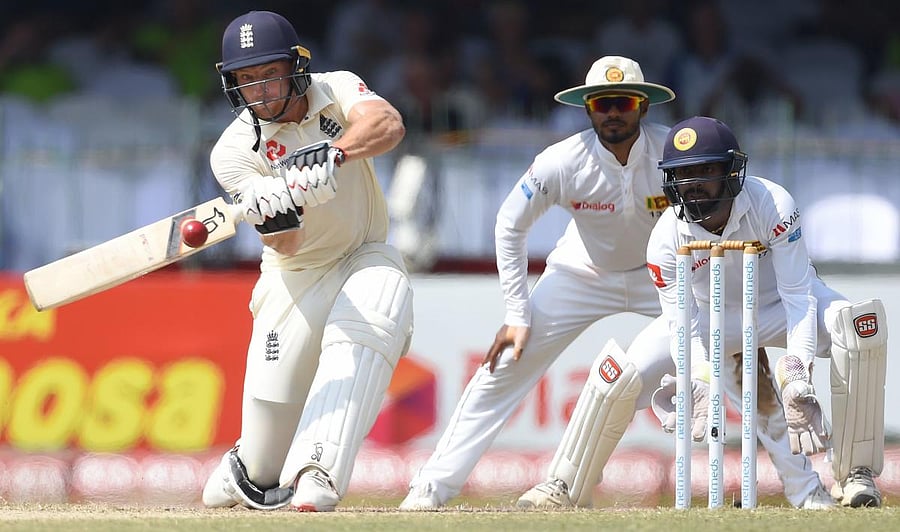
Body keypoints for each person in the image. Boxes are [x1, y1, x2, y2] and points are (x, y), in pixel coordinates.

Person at [399, 55, 677, 510]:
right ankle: (431, 488)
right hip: (582, 273)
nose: (612, 112)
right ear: (588, 108)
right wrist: (516, 313)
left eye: (623, 102)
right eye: (601, 103)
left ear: (643, 107)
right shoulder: (562, 161)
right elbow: (510, 224)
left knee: (731, 350)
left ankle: (801, 482)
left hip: (660, 277)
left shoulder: (673, 154)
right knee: (504, 366)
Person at [199, 11, 413, 512]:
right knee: (262, 464)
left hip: (363, 252)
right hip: (293, 279)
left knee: (381, 295)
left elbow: (388, 124)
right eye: (246, 80)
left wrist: (332, 156)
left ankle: (317, 470)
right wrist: (280, 208)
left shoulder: (336, 88)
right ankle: (244, 470)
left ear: (295, 65)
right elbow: (287, 247)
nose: (261, 90)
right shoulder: (231, 152)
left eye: (269, 73)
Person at [644, 116, 886, 508]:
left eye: (705, 170)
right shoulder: (664, 240)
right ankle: (565, 484)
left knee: (859, 328)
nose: (692, 184)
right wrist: (701, 378)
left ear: (730, 172)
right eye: (682, 174)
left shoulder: (772, 203)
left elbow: (798, 296)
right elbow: (682, 328)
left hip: (778, 304)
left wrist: (796, 375)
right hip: (713, 319)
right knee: (622, 376)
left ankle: (855, 472)